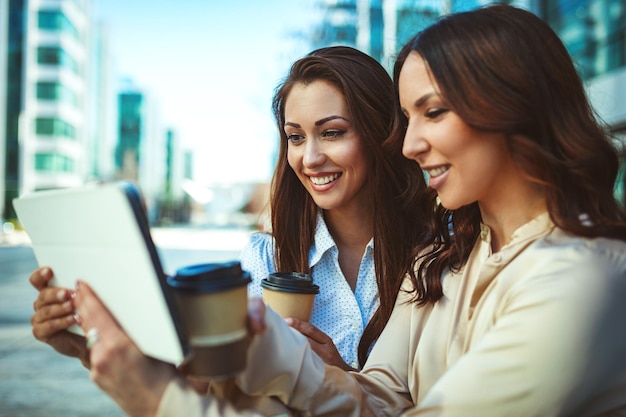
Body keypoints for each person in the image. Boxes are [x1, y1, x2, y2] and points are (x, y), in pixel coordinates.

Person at [32, 4, 626, 416]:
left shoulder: (580, 281)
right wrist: (252, 344)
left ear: (515, 107)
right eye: (293, 137)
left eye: (434, 112)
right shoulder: (450, 257)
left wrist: (157, 401)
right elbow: (379, 398)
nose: (410, 143)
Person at [239, 45, 428, 371]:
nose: (310, 158)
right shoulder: (267, 258)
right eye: (295, 138)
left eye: (332, 133)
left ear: (381, 132)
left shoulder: (437, 250)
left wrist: (338, 379)